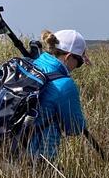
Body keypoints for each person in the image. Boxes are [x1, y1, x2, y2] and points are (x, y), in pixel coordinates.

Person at [28, 28, 90, 161]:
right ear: (68, 57)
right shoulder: (64, 84)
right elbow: (74, 128)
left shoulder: (28, 64)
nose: (77, 67)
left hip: (1, 144)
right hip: (36, 156)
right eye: (79, 63)